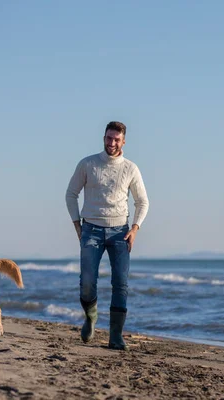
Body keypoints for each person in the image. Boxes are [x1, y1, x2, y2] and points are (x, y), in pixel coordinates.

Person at [65, 121, 149, 350]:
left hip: (120, 232)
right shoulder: (88, 164)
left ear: (123, 142)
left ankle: (116, 336)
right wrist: (77, 225)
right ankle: (91, 317)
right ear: (104, 137)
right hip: (90, 229)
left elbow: (143, 202)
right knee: (87, 283)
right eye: (108, 138)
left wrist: (134, 229)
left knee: (120, 283)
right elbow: (71, 194)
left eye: (116, 139)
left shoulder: (131, 168)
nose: (112, 143)